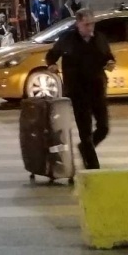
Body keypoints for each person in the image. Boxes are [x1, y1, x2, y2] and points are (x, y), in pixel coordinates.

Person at [45, 9, 114, 169]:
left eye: (92, 24)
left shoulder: (99, 38)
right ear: (78, 24)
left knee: (103, 127)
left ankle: (85, 149)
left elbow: (108, 56)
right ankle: (93, 167)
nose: (90, 28)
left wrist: (110, 63)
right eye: (86, 24)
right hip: (77, 91)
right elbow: (52, 55)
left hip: (97, 88)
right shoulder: (68, 39)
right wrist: (52, 64)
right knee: (85, 130)